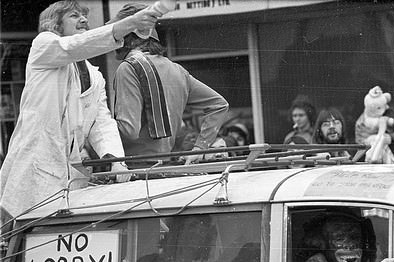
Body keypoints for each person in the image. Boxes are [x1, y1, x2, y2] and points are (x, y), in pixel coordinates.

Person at [0, 0, 157, 231]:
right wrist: (130, 23)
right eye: (74, 16)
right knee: (15, 238)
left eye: (84, 15)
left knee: (53, 238)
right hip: (34, 167)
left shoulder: (94, 75)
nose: (83, 19)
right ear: (55, 24)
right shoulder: (44, 45)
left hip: (69, 177)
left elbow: (101, 121)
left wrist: (116, 161)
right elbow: (75, 45)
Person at [110, 3, 229, 167]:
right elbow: (219, 105)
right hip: (164, 165)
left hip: (132, 169)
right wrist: (200, 148)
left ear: (129, 34)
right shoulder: (177, 70)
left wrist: (95, 130)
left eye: (117, 32)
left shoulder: (127, 68)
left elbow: (129, 130)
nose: (113, 40)